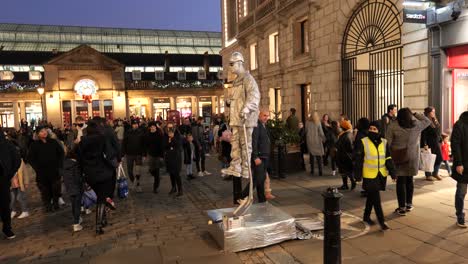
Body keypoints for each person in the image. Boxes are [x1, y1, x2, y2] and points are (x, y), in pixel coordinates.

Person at [221, 52, 261, 180]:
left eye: (232, 64)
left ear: (239, 63)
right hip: (236, 119)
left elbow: (254, 96)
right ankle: (236, 166)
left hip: (245, 120)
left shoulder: (248, 79)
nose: (230, 67)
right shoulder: (237, 81)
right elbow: (237, 98)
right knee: (235, 143)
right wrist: (229, 102)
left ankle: (245, 169)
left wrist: (247, 108)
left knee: (245, 145)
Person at [387, 108, 431, 216]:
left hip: (399, 156)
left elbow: (387, 142)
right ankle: (409, 204)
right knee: (410, 180)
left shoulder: (393, 126)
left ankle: (402, 208)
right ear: (410, 115)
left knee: (400, 181)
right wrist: (415, 114)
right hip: (412, 157)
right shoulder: (416, 125)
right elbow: (427, 121)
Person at [354, 121, 396, 231]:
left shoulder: (384, 142)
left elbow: (388, 158)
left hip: (381, 175)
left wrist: (393, 172)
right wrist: (357, 176)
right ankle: (382, 222)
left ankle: (366, 216)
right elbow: (358, 160)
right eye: (370, 129)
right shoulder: (363, 142)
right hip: (369, 175)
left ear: (379, 131)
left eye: (374, 129)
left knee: (372, 196)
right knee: (376, 198)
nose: (372, 131)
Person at [78, 120, 115, 234]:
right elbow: (109, 154)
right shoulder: (102, 139)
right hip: (102, 171)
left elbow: (79, 158)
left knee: (100, 196)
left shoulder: (82, 142)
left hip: (89, 173)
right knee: (102, 197)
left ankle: (103, 219)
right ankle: (98, 225)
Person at [28, 126, 65, 212]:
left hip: (54, 170)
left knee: (56, 188)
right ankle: (47, 205)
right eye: (41, 131)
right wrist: (37, 167)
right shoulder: (34, 145)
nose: (44, 132)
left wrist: (59, 165)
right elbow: (30, 158)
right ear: (37, 134)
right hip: (42, 172)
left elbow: (61, 153)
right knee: (45, 190)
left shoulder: (53, 142)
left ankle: (56, 203)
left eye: (45, 131)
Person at [239, 111, 271, 203]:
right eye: (264, 115)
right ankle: (242, 196)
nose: (266, 117)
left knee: (261, 178)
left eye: (267, 116)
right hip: (260, 157)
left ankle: (262, 199)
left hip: (265, 156)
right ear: (259, 115)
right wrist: (255, 156)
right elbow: (254, 142)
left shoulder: (264, 125)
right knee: (257, 178)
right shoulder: (257, 125)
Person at [0, 129, 22, 239]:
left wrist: (9, 173)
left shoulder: (6, 144)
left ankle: (7, 228)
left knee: (4, 204)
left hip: (3, 179)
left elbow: (17, 159)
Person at [451, 111, 468, 227]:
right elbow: (455, 144)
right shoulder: (460, 124)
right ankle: (460, 216)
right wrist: (459, 163)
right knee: (461, 191)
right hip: (464, 164)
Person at [63, 146, 83, 232]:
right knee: (77, 205)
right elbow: (78, 178)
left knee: (73, 205)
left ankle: (77, 219)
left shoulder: (64, 165)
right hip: (76, 187)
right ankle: (76, 223)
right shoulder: (75, 165)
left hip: (69, 188)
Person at [421, 106, 443, 181]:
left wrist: (440, 139)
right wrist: (424, 144)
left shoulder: (435, 120)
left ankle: (435, 173)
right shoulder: (425, 121)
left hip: (436, 143)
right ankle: (428, 175)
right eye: (432, 112)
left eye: (434, 111)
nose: (434, 113)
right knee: (428, 159)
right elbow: (423, 134)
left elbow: (438, 131)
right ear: (428, 113)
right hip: (429, 143)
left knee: (439, 158)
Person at [122, 120, 144, 192]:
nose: (135, 125)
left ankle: (138, 185)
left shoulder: (141, 132)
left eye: (136, 124)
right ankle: (134, 182)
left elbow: (144, 144)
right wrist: (122, 154)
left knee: (138, 171)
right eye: (134, 124)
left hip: (138, 154)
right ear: (132, 125)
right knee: (129, 171)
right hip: (129, 154)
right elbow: (124, 143)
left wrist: (144, 154)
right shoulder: (128, 132)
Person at [144, 121, 165, 193]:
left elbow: (162, 146)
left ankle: (155, 187)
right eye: (151, 127)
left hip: (158, 155)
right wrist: (145, 153)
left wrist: (162, 155)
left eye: (154, 126)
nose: (152, 128)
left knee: (157, 171)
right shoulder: (147, 135)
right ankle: (157, 177)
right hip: (151, 154)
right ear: (149, 128)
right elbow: (146, 145)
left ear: (155, 127)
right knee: (151, 170)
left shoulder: (159, 134)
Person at [336, 120, 355, 190]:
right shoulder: (349, 134)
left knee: (344, 171)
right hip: (346, 156)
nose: (340, 128)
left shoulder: (344, 136)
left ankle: (349, 183)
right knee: (346, 171)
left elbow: (348, 147)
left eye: (341, 127)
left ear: (343, 128)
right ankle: (347, 184)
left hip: (343, 156)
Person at [165, 130, 183, 197]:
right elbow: (165, 146)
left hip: (176, 160)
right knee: (171, 174)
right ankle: (173, 188)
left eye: (171, 133)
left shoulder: (177, 138)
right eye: (169, 133)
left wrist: (172, 139)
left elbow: (178, 146)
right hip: (169, 159)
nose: (170, 134)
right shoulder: (167, 139)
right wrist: (169, 143)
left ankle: (180, 190)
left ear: (173, 133)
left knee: (177, 175)